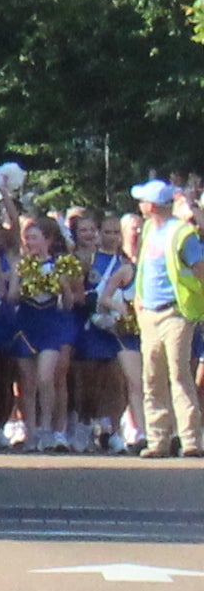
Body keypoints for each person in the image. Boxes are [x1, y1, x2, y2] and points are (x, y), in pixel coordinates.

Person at [138, 178, 193, 459]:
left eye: (143, 201)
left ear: (152, 205)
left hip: (175, 312)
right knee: (151, 378)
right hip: (149, 313)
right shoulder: (148, 230)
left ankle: (190, 440)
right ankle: (158, 440)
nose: (139, 205)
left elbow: (200, 268)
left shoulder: (182, 233)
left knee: (179, 375)